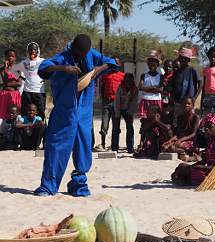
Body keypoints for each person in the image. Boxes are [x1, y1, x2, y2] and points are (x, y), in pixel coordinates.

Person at [34, 34, 118, 197]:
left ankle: (79, 184)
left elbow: (113, 63)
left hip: (84, 111)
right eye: (79, 53)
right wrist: (63, 68)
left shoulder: (92, 55)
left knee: (83, 146)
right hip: (64, 111)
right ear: (73, 48)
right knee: (56, 147)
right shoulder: (63, 57)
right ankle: (48, 186)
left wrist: (97, 70)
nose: (82, 56)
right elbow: (43, 67)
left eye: (84, 54)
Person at [171, 113, 215, 186]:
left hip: (214, 174)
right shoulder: (211, 141)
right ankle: (183, 178)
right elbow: (204, 160)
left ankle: (185, 180)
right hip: (207, 170)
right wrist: (191, 166)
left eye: (210, 127)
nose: (206, 129)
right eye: (205, 127)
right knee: (181, 166)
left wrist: (202, 167)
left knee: (186, 171)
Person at [95, 56, 124, 151]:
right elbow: (102, 88)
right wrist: (103, 99)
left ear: (120, 65)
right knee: (104, 123)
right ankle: (103, 144)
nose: (115, 64)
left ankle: (114, 146)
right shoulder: (105, 75)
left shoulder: (122, 76)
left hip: (117, 103)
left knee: (116, 125)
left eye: (117, 63)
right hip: (107, 102)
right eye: (113, 62)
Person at [170, 48, 202, 127]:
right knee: (177, 122)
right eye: (181, 58)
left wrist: (194, 97)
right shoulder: (176, 72)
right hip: (178, 102)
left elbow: (200, 83)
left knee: (190, 122)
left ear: (188, 60)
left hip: (189, 103)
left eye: (185, 58)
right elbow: (173, 85)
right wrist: (172, 97)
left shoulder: (192, 70)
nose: (182, 60)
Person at [162, 97, 200, 162]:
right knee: (165, 147)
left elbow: (193, 134)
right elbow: (178, 133)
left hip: (190, 140)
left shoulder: (195, 117)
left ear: (192, 105)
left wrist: (180, 140)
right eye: (185, 103)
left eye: (189, 104)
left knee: (174, 146)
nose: (186, 105)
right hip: (180, 139)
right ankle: (182, 152)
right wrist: (170, 141)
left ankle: (185, 152)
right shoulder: (180, 117)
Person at [112, 73, 138, 153]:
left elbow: (134, 102)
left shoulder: (135, 89)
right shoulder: (120, 87)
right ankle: (114, 147)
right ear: (124, 80)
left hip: (128, 109)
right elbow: (117, 101)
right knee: (116, 128)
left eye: (130, 81)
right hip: (118, 108)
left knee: (130, 128)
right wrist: (117, 114)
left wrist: (130, 113)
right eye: (126, 81)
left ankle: (130, 147)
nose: (128, 83)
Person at [20, 42, 46, 120]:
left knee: (40, 112)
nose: (32, 51)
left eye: (34, 49)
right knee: (25, 112)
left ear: (37, 51)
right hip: (27, 91)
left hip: (39, 91)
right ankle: (25, 130)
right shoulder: (23, 63)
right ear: (27, 51)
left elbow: (48, 73)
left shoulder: (43, 61)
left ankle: (40, 130)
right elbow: (22, 77)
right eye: (30, 49)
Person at [137, 51, 163, 118]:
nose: (151, 67)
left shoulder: (160, 76)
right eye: (149, 64)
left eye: (153, 65)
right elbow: (140, 87)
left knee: (156, 119)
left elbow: (161, 90)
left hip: (156, 100)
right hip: (145, 100)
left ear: (157, 65)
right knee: (145, 120)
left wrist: (146, 89)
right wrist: (153, 88)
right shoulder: (144, 75)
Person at [0, 49, 23, 122]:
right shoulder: (1, 69)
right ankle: (3, 131)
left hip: (14, 95)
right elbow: (3, 80)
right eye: (8, 56)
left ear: (15, 58)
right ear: (5, 57)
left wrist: (6, 84)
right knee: (3, 114)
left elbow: (19, 83)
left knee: (14, 114)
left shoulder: (17, 69)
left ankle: (14, 130)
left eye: (12, 56)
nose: (10, 58)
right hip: (4, 94)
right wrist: (5, 68)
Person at [202, 47, 215, 114]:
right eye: (211, 57)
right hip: (207, 94)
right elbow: (204, 84)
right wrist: (202, 98)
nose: (212, 59)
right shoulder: (206, 69)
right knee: (206, 113)